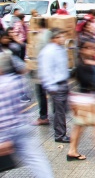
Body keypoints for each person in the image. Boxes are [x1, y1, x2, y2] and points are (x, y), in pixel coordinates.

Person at [0, 49, 54, 177]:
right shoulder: (18, 80)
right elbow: (27, 101)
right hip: (24, 127)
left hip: (7, 131)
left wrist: (3, 139)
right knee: (37, 160)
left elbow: (2, 115)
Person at [38, 28, 71, 143]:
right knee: (59, 112)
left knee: (61, 110)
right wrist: (51, 87)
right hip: (56, 85)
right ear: (54, 38)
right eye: (61, 36)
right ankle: (60, 135)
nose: (63, 39)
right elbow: (46, 70)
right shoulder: (48, 51)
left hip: (63, 83)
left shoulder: (60, 49)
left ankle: (60, 132)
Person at [32, 19, 52, 126]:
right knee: (52, 92)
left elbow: (39, 56)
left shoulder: (40, 37)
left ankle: (43, 117)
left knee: (41, 93)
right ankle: (55, 113)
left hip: (42, 71)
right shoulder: (50, 34)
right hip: (51, 71)